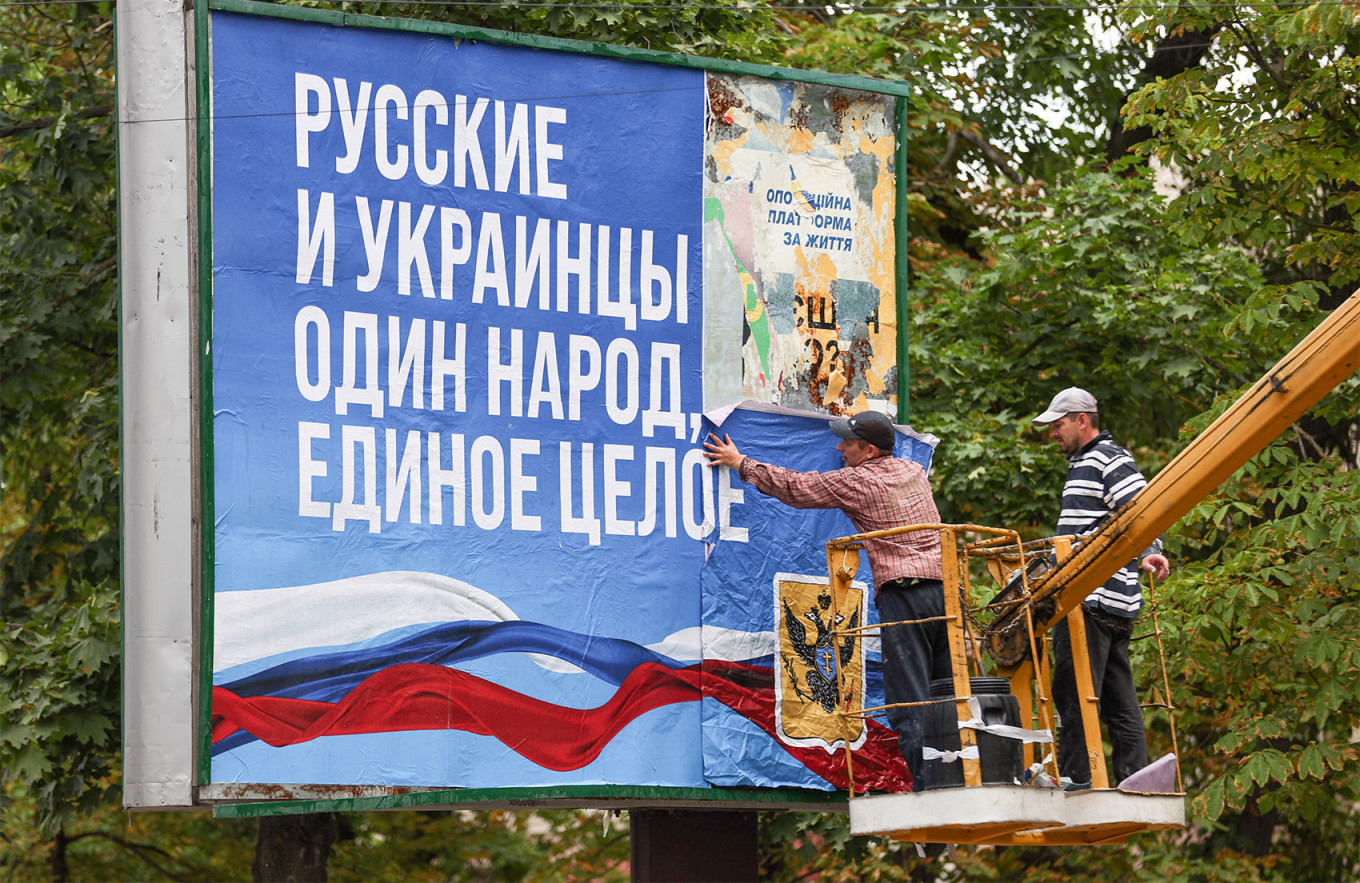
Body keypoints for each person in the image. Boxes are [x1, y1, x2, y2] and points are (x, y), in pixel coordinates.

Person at [703, 410, 949, 790]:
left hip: (905, 594)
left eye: (847, 443)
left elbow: (799, 488)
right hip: (946, 592)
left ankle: (930, 790)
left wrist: (742, 464)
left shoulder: (859, 481)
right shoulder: (913, 472)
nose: (839, 448)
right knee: (952, 691)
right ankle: (966, 777)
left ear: (867, 451)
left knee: (908, 698)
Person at [1031, 387, 1171, 788]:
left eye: (1058, 425)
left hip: (1089, 599)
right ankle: (1137, 779)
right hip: (1113, 602)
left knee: (1072, 694)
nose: (1053, 433)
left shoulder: (1106, 458)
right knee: (1119, 703)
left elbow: (1141, 508)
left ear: (1082, 420)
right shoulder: (1086, 462)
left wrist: (1150, 550)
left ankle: (1077, 781)